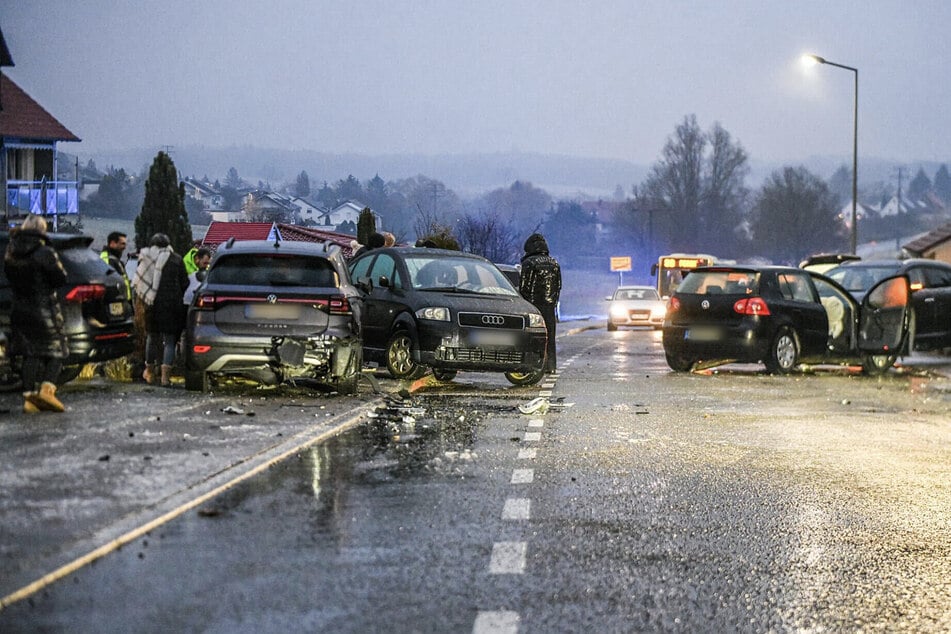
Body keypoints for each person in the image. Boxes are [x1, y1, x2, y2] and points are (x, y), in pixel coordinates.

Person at [3, 214, 69, 413]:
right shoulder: (44, 252)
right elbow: (60, 278)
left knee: (31, 353)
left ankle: (29, 397)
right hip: (44, 309)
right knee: (58, 351)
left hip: (20, 309)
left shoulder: (11, 252)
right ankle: (46, 391)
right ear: (42, 230)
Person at [132, 233, 189, 387]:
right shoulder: (176, 259)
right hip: (172, 306)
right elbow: (185, 282)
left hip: (152, 304)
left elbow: (139, 283)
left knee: (152, 337)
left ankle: (149, 372)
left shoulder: (146, 259)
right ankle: (165, 378)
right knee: (170, 340)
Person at [519, 233, 561, 374]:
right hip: (550, 305)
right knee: (550, 336)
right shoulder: (554, 263)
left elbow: (525, 286)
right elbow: (559, 285)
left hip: (533, 305)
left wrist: (524, 302)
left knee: (532, 336)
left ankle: (534, 364)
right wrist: (553, 302)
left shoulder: (529, 263)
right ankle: (551, 365)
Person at [100, 231, 131, 301]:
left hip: (122, 301)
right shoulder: (107, 259)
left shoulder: (115, 260)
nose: (125, 247)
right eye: (122, 244)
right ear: (112, 243)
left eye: (125, 244)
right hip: (114, 302)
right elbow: (108, 281)